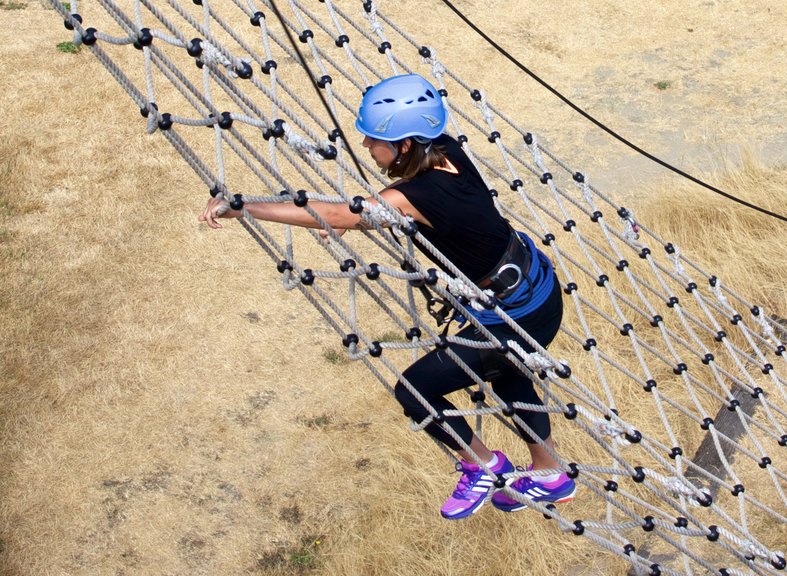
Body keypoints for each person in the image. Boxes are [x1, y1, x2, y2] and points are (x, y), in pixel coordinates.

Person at [199, 73, 575, 520]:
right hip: (537, 292)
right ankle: (550, 473)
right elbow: (359, 214)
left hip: (513, 315)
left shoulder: (413, 195)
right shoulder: (447, 152)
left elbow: (343, 212)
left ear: (406, 145)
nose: (363, 144)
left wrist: (243, 208)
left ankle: (484, 467)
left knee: (416, 390)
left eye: (375, 137)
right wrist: (347, 219)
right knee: (506, 373)